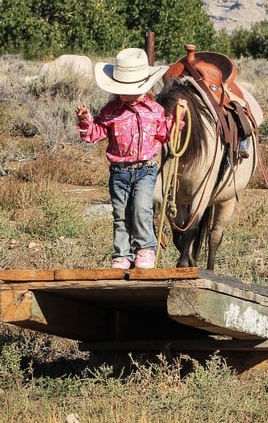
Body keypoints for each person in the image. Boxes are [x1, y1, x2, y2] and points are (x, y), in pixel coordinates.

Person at [76, 48, 186, 270]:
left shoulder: (154, 110)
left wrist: (177, 118)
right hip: (119, 171)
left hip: (146, 169)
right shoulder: (110, 111)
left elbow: (165, 134)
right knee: (120, 213)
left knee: (141, 207)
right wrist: (86, 122)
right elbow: (95, 134)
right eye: (124, 90)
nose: (130, 94)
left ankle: (145, 249)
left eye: (134, 89)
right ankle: (122, 254)